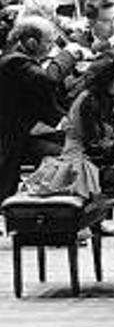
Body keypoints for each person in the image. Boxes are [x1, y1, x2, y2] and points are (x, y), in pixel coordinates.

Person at [19, 50, 114, 235]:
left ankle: (98, 220)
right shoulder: (89, 100)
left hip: (91, 154)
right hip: (79, 159)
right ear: (109, 77)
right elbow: (93, 144)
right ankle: (88, 219)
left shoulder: (105, 98)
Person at [0, 16, 83, 202]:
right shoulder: (14, 61)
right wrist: (67, 55)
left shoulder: (21, 61)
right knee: (68, 156)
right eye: (49, 42)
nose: (52, 47)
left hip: (26, 135)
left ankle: (81, 218)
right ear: (31, 42)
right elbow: (48, 81)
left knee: (74, 150)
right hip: (13, 140)